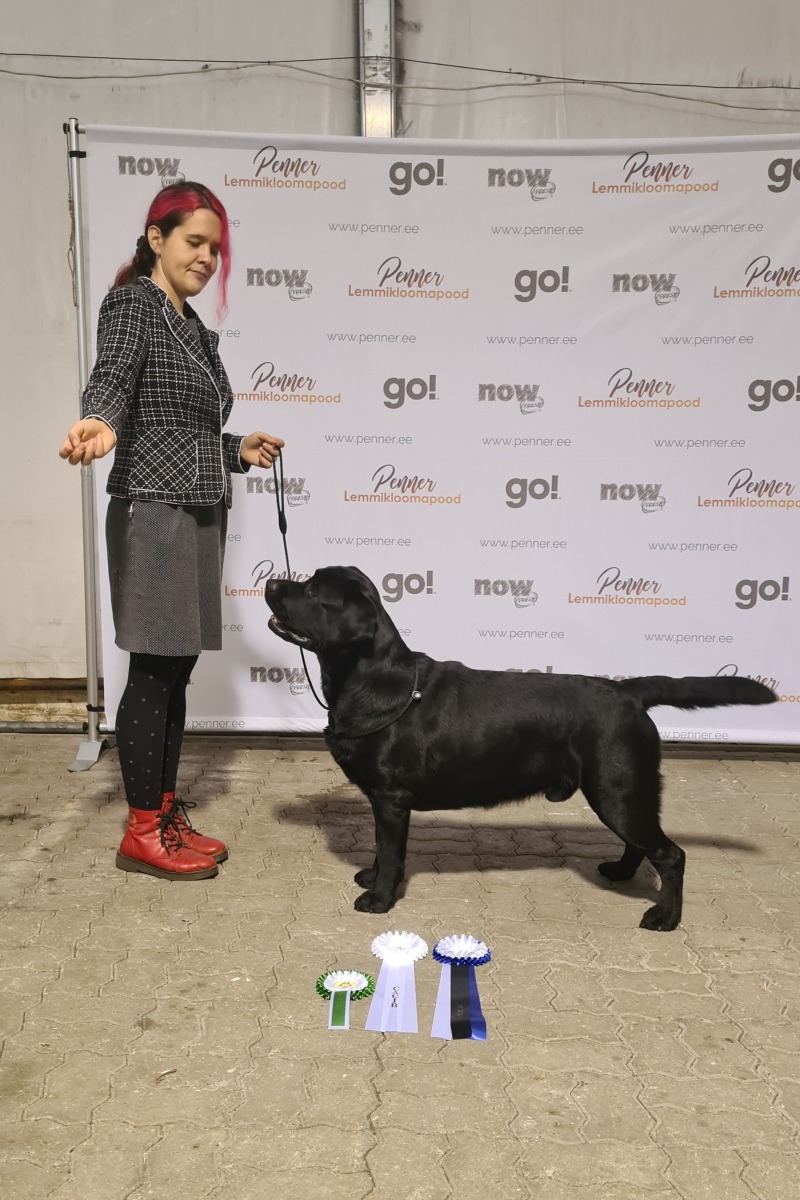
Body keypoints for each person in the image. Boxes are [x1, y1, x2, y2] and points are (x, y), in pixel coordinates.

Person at [59, 181, 283, 882]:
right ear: (156, 239)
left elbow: (184, 427)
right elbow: (113, 377)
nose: (207, 257)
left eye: (215, 247)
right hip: (153, 510)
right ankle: (141, 832)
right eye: (194, 241)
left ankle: (161, 812)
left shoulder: (195, 330)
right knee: (155, 668)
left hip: (197, 509)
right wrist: (99, 420)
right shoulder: (133, 305)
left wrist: (236, 448)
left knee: (177, 666)